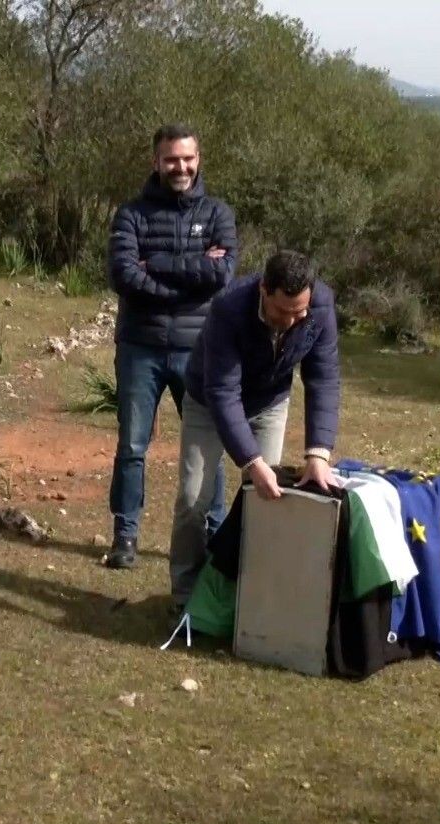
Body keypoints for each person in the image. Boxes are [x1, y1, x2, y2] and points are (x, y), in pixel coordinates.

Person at [169, 250, 341, 604]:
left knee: (264, 501)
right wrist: (251, 461)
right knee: (192, 498)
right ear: (264, 289)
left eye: (300, 312)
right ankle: (187, 596)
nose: (293, 321)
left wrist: (318, 453)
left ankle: (247, 595)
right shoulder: (228, 307)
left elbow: (323, 379)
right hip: (208, 402)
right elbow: (223, 391)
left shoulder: (321, 308)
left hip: (269, 403)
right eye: (283, 311)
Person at [103, 123, 238, 569]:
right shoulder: (131, 215)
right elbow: (125, 276)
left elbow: (222, 274)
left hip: (198, 350)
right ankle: (125, 536)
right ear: (156, 162)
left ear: (198, 159)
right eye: (171, 159)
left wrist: (158, 265)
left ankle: (215, 532)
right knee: (132, 446)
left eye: (187, 158)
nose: (180, 167)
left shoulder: (218, 214)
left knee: (205, 449)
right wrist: (188, 284)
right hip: (140, 347)